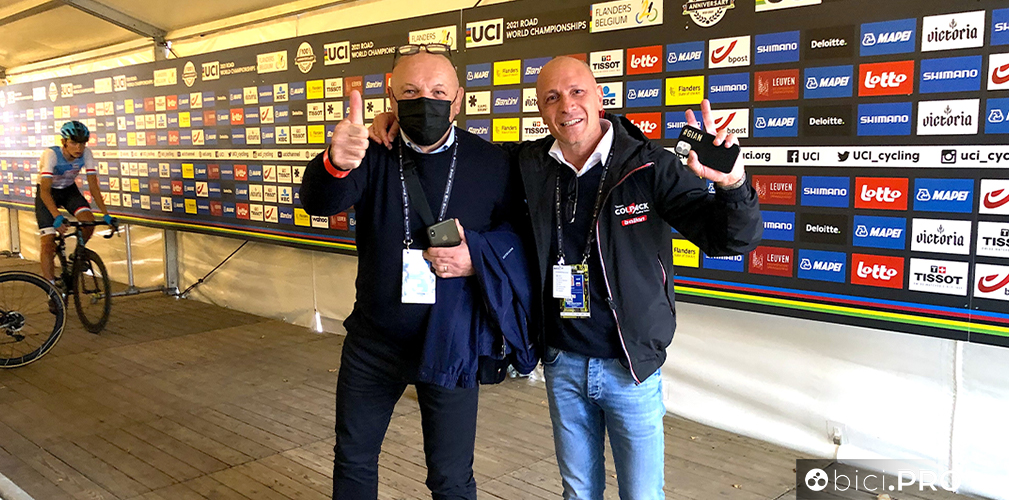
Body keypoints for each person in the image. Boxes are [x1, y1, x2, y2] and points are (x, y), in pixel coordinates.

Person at [368, 56, 762, 500]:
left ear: (599, 98)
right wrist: (395, 122)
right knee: (577, 493)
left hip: (630, 367)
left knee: (642, 494)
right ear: (541, 110)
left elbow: (729, 240)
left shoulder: (649, 166)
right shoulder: (528, 163)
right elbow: (451, 152)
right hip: (563, 362)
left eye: (577, 92)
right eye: (552, 97)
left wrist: (733, 185)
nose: (567, 106)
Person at [298, 44, 534, 500]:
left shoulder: (491, 162)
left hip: (452, 341)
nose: (425, 100)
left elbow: (517, 238)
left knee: (451, 478)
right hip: (375, 340)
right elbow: (319, 202)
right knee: (353, 459)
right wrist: (335, 162)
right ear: (392, 98)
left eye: (438, 91)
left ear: (458, 100)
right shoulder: (371, 151)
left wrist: (476, 256)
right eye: (410, 91)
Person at [37, 121, 113, 290]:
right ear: (64, 142)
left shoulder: (86, 154)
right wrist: (57, 216)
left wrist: (105, 214)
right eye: (73, 143)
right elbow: (44, 192)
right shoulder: (51, 155)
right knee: (48, 243)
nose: (79, 148)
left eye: (82, 143)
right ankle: (51, 290)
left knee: (88, 222)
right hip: (48, 193)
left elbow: (93, 186)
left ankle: (75, 257)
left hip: (69, 191)